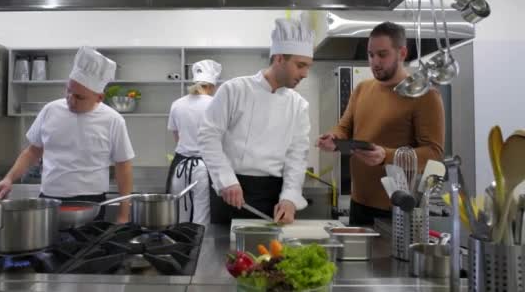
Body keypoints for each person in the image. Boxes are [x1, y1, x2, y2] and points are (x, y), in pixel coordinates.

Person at [317, 21, 445, 225]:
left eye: (382, 54)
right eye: (370, 54)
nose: (374, 61)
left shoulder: (425, 95)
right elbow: (344, 127)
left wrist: (386, 155)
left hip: (397, 208)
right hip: (358, 203)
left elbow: (433, 153)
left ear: (402, 53)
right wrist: (334, 137)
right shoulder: (362, 89)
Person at [0, 46, 135, 223]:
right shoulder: (50, 110)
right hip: (49, 199)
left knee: (87, 250)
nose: (70, 100)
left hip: (92, 202)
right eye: (68, 91)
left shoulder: (113, 120)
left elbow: (123, 166)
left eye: (80, 97)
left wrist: (123, 214)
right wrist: (9, 178)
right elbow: (33, 152)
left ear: (99, 97)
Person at [198, 16, 314, 224]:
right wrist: (226, 180)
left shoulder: (298, 105)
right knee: (224, 252)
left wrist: (289, 198)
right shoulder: (234, 90)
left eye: (308, 66)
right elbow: (208, 136)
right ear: (279, 59)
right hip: (231, 192)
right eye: (300, 65)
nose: (305, 73)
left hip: (272, 195)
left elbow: (297, 157)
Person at [166, 59, 222, 225]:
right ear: (212, 85)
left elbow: (177, 138)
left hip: (180, 168)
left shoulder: (177, 104)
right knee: (201, 218)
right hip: (203, 169)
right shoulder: (215, 104)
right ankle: (202, 251)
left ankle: (180, 249)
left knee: (180, 218)